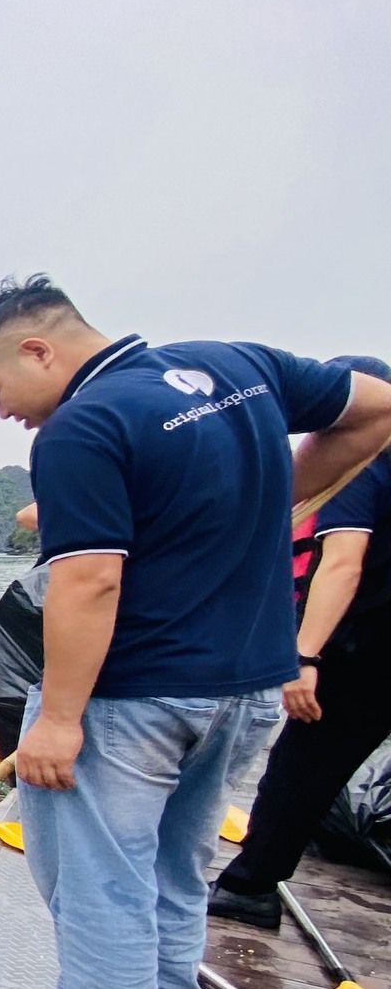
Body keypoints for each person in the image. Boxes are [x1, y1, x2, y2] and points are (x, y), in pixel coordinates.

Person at [0, 274, 391, 989]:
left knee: (99, 878)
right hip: (245, 689)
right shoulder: (239, 366)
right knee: (176, 868)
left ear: (38, 348)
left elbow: (88, 585)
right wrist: (278, 499)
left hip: (136, 693)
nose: (5, 413)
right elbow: (375, 408)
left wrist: (58, 718)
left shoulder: (84, 426)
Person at [211, 357, 391, 927]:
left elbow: (342, 565)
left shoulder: (364, 461)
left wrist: (305, 657)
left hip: (369, 647)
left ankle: (250, 885)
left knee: (305, 762)